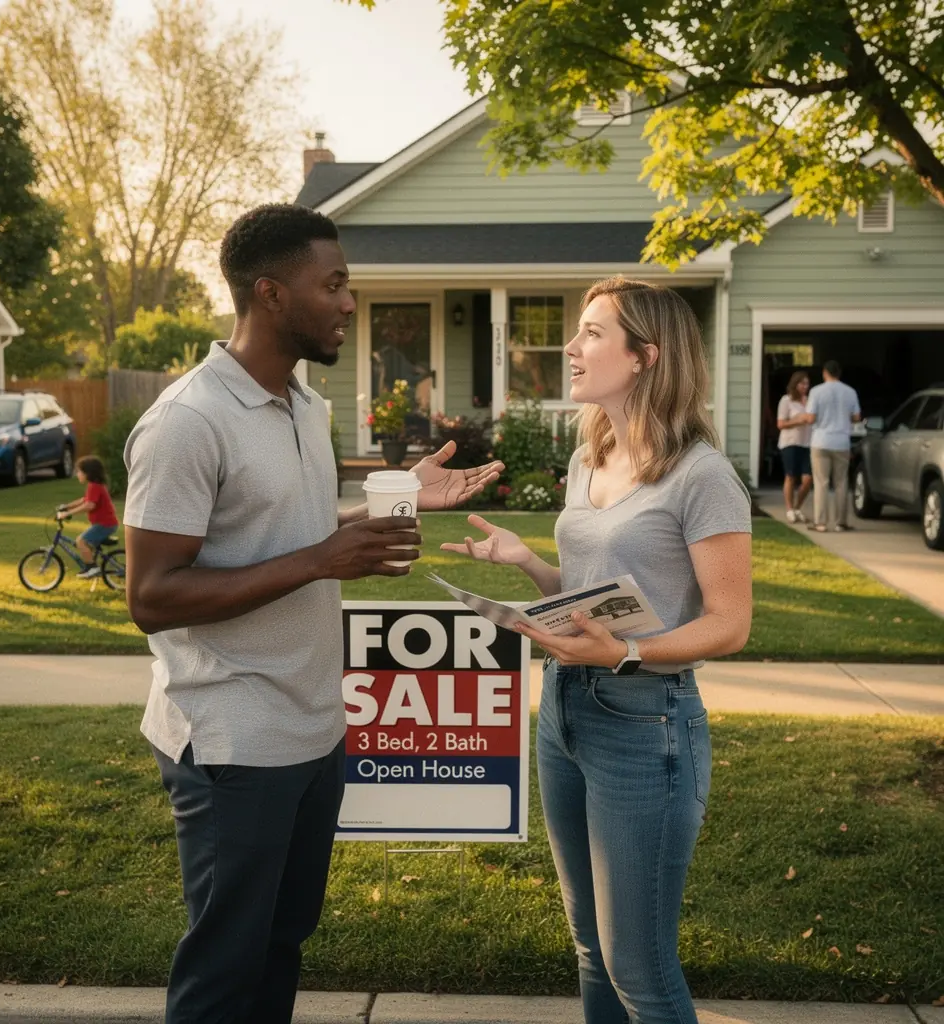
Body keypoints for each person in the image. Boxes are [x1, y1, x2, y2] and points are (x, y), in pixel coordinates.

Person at [122, 203, 503, 1024]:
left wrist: (395, 505)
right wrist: (324, 560)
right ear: (270, 294)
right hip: (231, 738)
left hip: (314, 729)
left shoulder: (305, 405)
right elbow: (151, 597)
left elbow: (290, 530)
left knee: (282, 944)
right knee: (225, 971)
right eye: (332, 286)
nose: (348, 303)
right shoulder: (187, 423)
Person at [442, 277, 752, 1024]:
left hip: (647, 723)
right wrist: (526, 563)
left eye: (591, 333)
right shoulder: (591, 457)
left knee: (639, 969)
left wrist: (623, 656)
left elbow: (730, 623)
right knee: (590, 948)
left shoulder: (703, 475)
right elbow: (591, 599)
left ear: (645, 355)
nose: (569, 347)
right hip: (565, 708)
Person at [803, 360, 862, 533]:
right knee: (841, 482)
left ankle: (821, 523)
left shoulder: (816, 391)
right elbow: (857, 417)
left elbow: (811, 418)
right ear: (839, 373)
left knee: (821, 482)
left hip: (821, 440)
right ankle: (840, 522)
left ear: (824, 373)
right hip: (841, 441)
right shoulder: (850, 391)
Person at [57, 455, 119, 578]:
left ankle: (92, 568)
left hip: (105, 524)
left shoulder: (94, 486)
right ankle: (91, 565)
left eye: (79, 472)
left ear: (87, 473)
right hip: (105, 523)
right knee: (86, 544)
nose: (77, 475)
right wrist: (66, 507)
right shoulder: (94, 485)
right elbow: (84, 500)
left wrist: (67, 513)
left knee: (81, 541)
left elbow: (89, 505)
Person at [776, 370, 813, 522]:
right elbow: (781, 424)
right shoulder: (786, 400)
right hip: (790, 443)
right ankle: (790, 509)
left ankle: (797, 507)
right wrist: (798, 420)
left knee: (808, 479)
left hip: (807, 443)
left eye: (807, 384)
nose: (805, 386)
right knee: (790, 476)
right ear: (795, 384)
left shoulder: (810, 401)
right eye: (802, 383)